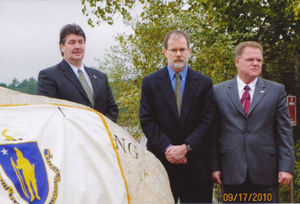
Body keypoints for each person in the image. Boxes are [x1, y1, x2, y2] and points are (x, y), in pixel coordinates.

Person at [211, 41, 294, 203]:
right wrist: (214, 167)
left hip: (266, 173)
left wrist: (286, 167)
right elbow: (213, 134)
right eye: (250, 60)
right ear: (237, 62)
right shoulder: (218, 92)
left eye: (259, 60)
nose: (255, 63)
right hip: (231, 172)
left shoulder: (276, 91)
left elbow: (284, 133)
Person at [139, 30, 214, 203]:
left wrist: (186, 147)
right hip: (161, 165)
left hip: (196, 166)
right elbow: (147, 120)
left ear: (190, 51)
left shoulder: (204, 83)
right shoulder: (150, 82)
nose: (178, 54)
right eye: (173, 50)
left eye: (182, 49)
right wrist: (168, 148)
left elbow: (207, 121)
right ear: (165, 52)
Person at [36, 24, 118, 123]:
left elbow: (112, 109)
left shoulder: (100, 77)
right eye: (72, 43)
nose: (77, 46)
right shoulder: (49, 76)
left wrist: (101, 129)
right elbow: (49, 114)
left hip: (100, 136)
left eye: (81, 42)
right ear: (62, 47)